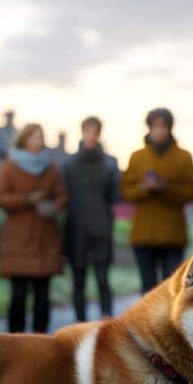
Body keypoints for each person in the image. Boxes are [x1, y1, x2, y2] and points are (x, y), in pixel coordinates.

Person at [0, 123, 67, 334]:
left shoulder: (51, 168)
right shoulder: (10, 166)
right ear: (24, 140)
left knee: (42, 294)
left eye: (41, 137)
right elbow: (0, 197)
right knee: (18, 294)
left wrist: (53, 207)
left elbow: (62, 196)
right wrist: (27, 199)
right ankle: (15, 339)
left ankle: (40, 339)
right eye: (34, 137)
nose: (39, 141)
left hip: (46, 239)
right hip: (18, 241)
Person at [120, 107, 193, 293]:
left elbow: (192, 192)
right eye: (156, 126)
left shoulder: (184, 157)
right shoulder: (137, 157)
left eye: (164, 126)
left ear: (170, 128)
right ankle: (148, 324)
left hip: (172, 234)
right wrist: (144, 188)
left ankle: (169, 323)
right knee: (147, 288)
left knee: (172, 289)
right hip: (144, 233)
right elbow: (126, 192)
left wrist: (166, 188)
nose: (160, 130)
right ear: (149, 128)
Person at [63, 116, 120, 321]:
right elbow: (64, 197)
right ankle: (80, 322)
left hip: (102, 228)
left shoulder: (110, 164)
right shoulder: (69, 164)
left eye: (95, 131)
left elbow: (117, 197)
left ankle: (107, 320)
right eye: (88, 131)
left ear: (99, 134)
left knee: (103, 278)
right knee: (78, 280)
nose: (91, 135)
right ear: (82, 132)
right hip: (76, 229)